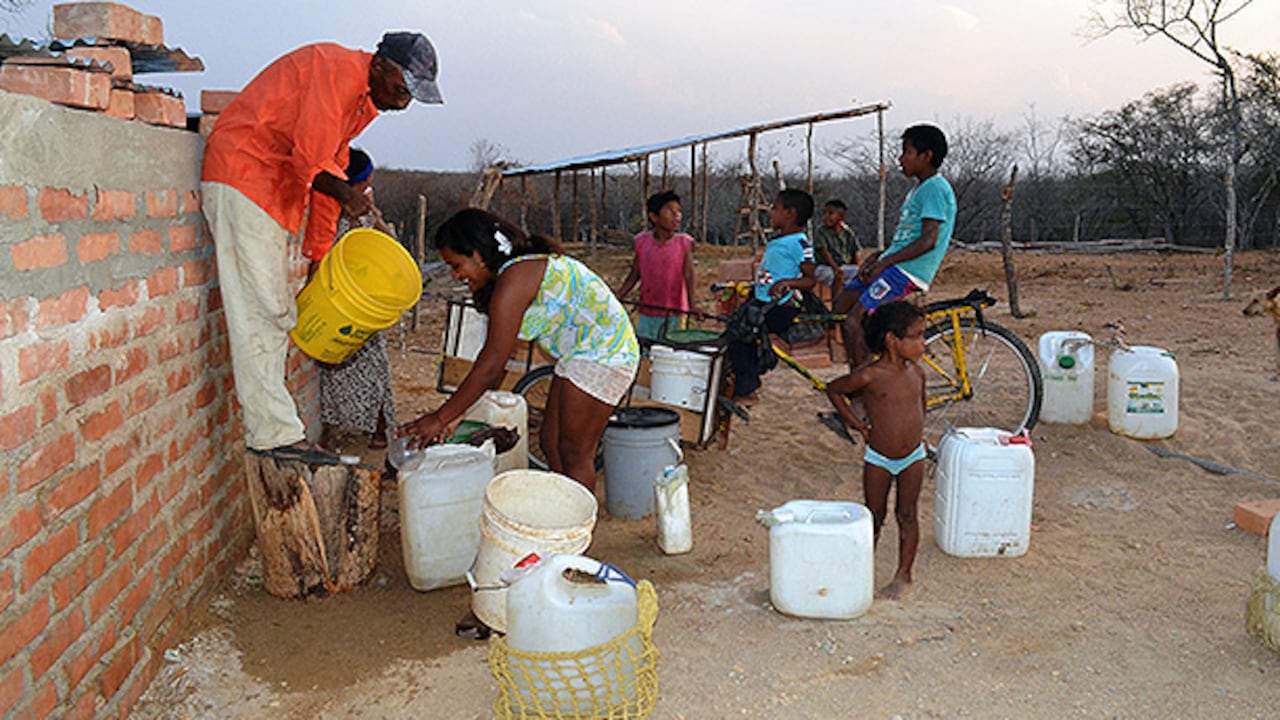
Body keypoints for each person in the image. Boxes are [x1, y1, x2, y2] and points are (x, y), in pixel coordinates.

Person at [201, 31, 442, 458]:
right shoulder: (335, 71)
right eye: (403, 90)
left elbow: (330, 173)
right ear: (380, 64)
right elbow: (312, 163)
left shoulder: (361, 102)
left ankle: (275, 429)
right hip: (244, 176)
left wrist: (320, 257)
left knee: (276, 311)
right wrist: (349, 195)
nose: (404, 103)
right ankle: (273, 436)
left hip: (270, 193)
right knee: (262, 310)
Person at [399, 208, 639, 492]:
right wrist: (458, 411)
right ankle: (563, 505)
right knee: (550, 442)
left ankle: (577, 516)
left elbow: (491, 365)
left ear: (477, 255)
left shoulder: (517, 277)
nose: (455, 275)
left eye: (456, 265)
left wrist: (440, 418)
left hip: (606, 354)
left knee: (574, 452)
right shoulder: (513, 275)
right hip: (580, 354)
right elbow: (495, 361)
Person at [825, 301, 928, 600]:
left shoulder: (917, 373)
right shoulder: (870, 375)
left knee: (907, 514)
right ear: (892, 340)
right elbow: (834, 389)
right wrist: (858, 425)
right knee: (874, 515)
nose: (923, 344)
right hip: (879, 459)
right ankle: (860, 570)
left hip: (913, 457)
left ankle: (904, 575)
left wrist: (915, 435)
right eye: (917, 336)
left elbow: (921, 406)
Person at [832, 124, 955, 370]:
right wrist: (877, 258)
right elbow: (905, 239)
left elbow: (928, 240)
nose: (900, 159)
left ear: (926, 156)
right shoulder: (918, 190)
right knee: (840, 307)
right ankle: (866, 368)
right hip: (893, 265)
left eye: (907, 152)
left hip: (908, 271)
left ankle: (866, 387)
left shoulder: (935, 188)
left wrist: (885, 263)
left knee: (854, 321)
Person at [316, 149, 397, 452]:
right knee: (363, 370)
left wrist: (372, 213)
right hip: (350, 302)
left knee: (372, 369)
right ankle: (370, 430)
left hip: (357, 301)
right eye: (365, 184)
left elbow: (388, 244)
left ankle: (378, 431)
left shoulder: (356, 213)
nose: (368, 189)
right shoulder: (340, 214)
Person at [726, 188, 816, 405]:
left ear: (790, 214)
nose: (771, 213)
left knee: (741, 337)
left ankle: (748, 391)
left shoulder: (799, 244)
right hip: (761, 302)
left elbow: (810, 280)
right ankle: (742, 382)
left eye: (775, 209)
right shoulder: (778, 241)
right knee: (736, 332)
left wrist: (787, 283)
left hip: (779, 307)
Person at [614, 190, 696, 343]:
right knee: (645, 347)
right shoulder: (642, 242)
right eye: (670, 210)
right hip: (647, 311)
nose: (676, 215)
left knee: (672, 349)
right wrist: (619, 296)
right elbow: (635, 273)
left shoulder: (684, 243)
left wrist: (693, 306)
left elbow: (689, 275)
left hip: (675, 312)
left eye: (678, 211)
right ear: (654, 217)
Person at [812, 199, 859, 296]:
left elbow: (854, 254)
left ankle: (849, 295)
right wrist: (836, 269)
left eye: (830, 213)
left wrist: (858, 269)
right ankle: (839, 299)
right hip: (825, 267)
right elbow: (825, 254)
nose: (826, 217)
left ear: (841, 216)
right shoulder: (821, 232)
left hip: (842, 267)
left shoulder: (848, 234)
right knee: (833, 276)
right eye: (824, 213)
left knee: (858, 273)